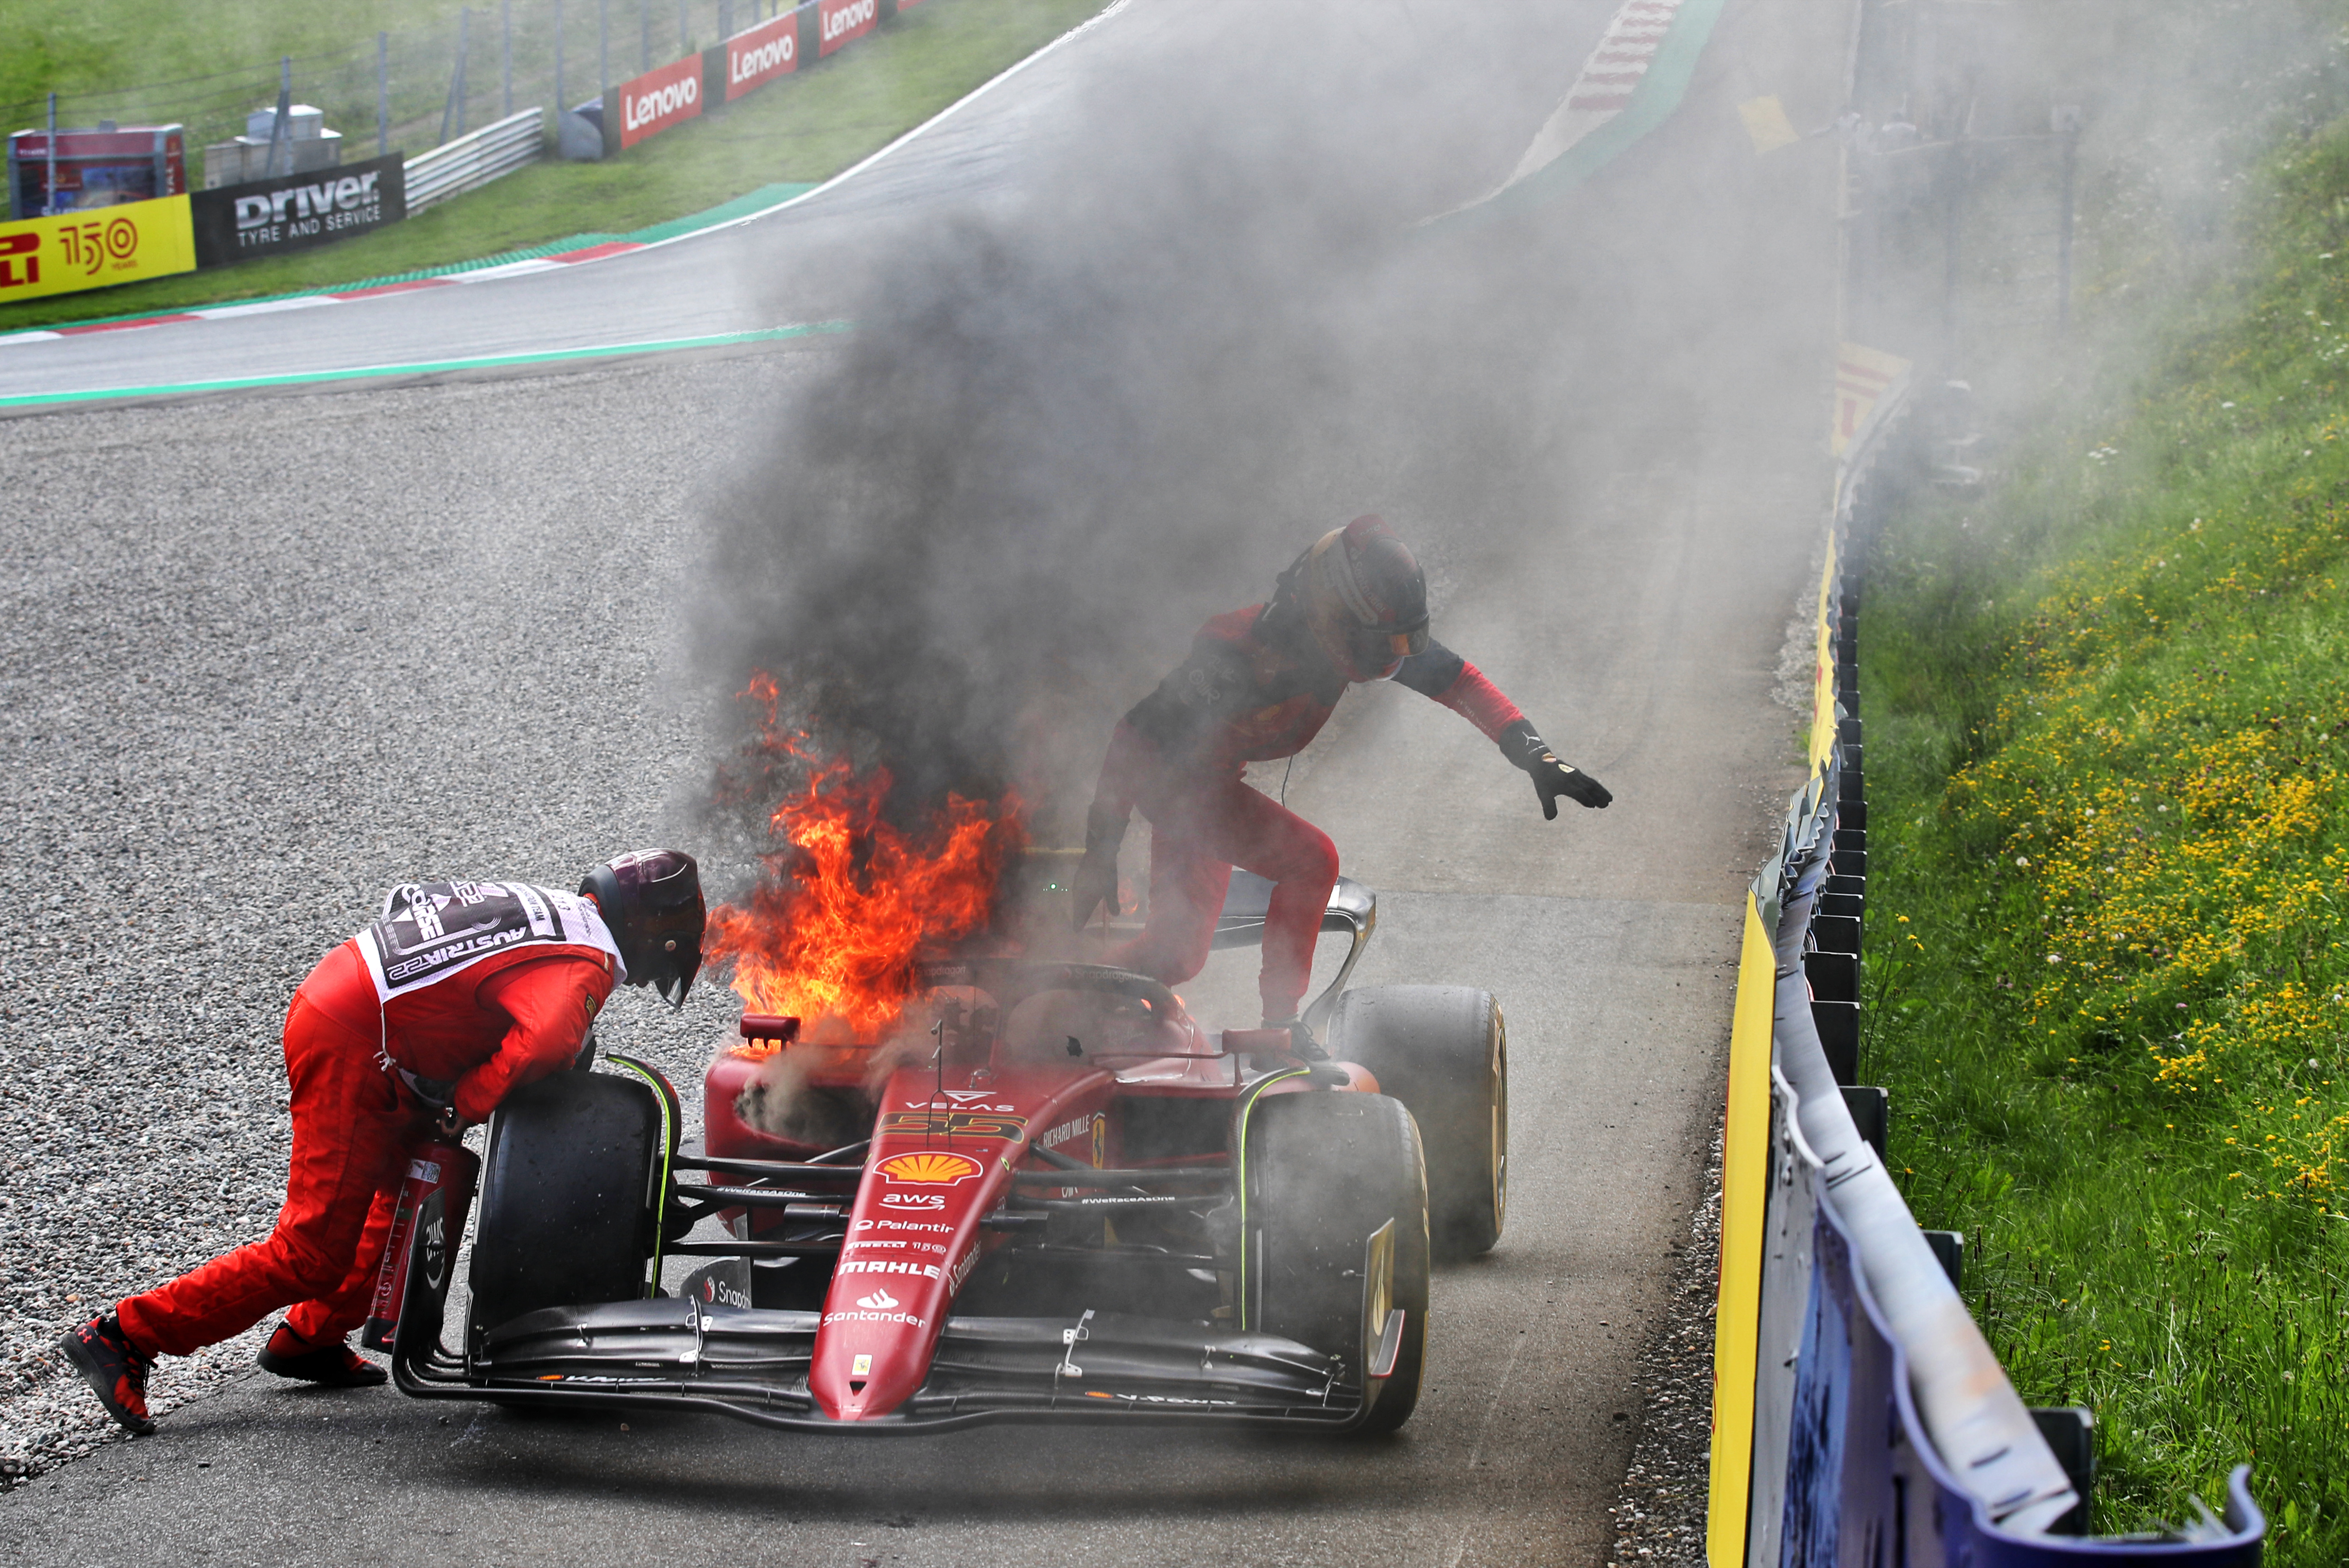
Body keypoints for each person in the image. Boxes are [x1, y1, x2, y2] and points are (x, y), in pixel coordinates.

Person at [59, 850, 707, 1435]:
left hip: (358, 1010)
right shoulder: (585, 965)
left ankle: (311, 1337)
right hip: (353, 1039)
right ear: (652, 933)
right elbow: (543, 1045)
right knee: (309, 1252)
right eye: (664, 958)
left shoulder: (558, 911)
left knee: (415, 1179)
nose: (652, 978)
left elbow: (411, 901)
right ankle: (125, 1335)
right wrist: (462, 1105)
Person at [1069, 516, 1610, 1047]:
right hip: (1176, 787)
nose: (1393, 660)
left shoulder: (1354, 640)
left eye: (1402, 642)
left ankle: (1061, 989)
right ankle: (1280, 1027)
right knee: (1311, 860)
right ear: (1329, 618)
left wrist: (1536, 755)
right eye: (1383, 645)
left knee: (1175, 955)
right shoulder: (1236, 657)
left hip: (1209, 787)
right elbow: (1134, 736)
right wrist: (1101, 846)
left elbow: (1459, 682)